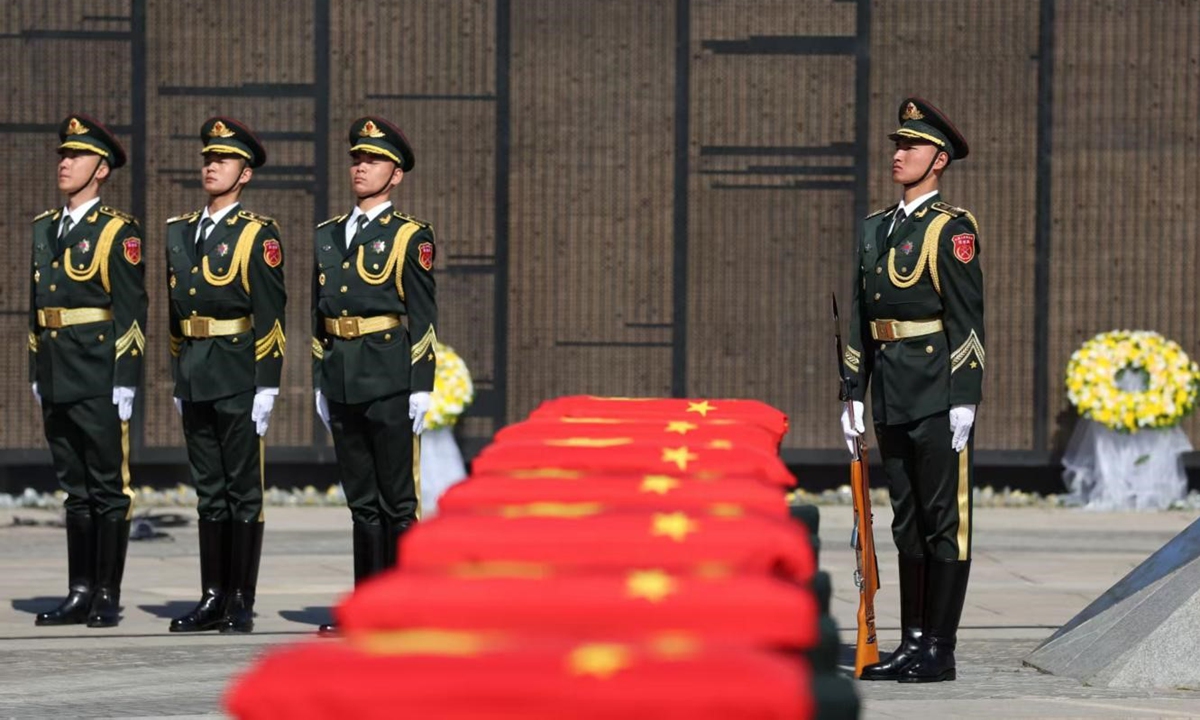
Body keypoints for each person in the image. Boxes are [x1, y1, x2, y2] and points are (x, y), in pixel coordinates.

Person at [840, 97, 984, 683]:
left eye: (913, 146)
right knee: (905, 520)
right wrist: (853, 389)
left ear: (939, 159)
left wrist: (966, 397)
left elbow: (967, 318)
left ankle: (940, 649)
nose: (899, 154)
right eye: (898, 145)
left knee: (942, 517)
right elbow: (859, 313)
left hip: (936, 390)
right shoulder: (877, 228)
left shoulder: (952, 229)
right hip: (892, 392)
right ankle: (912, 642)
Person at [311, 117, 437, 635]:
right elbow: (319, 316)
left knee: (397, 501)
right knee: (361, 501)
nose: (361, 167)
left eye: (375, 160)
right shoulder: (327, 235)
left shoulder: (410, 236)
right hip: (342, 376)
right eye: (357, 159)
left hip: (388, 378)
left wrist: (422, 384)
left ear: (397, 174)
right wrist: (321, 377)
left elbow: (425, 317)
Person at [165, 117, 286, 634]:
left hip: (238, 372)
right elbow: (175, 314)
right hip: (195, 372)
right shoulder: (178, 230)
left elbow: (271, 313)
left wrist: (267, 383)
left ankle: (240, 598)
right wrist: (178, 373)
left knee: (242, 489)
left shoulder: (257, 233)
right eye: (208, 158)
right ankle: (211, 595)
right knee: (208, 490)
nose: (211, 165)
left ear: (245, 174)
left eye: (224, 159)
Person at [30, 115, 147, 628]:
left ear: (101, 169)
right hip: (57, 370)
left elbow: (131, 309)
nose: (64, 162)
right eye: (62, 154)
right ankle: (79, 589)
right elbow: (38, 307)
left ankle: (106, 593)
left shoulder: (118, 231)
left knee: (106, 486)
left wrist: (125, 377)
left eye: (75, 156)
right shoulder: (43, 227)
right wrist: (38, 369)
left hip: (98, 372)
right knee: (73, 487)